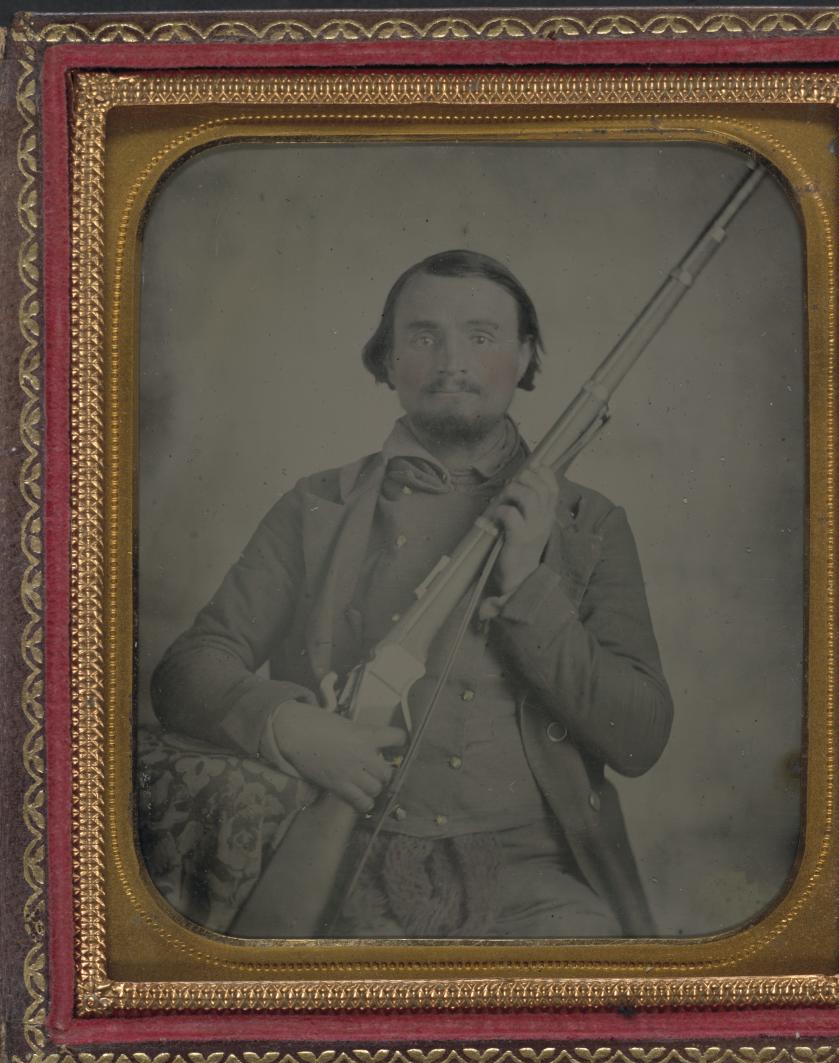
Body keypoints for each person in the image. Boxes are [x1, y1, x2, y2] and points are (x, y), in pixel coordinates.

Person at [151, 249, 673, 939]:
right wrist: (291, 726)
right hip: (356, 876)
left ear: (522, 357)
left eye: (481, 337)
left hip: (540, 885)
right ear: (388, 360)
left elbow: (639, 737)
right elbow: (189, 670)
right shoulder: (316, 507)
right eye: (423, 336)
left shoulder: (592, 525)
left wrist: (526, 584)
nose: (451, 358)